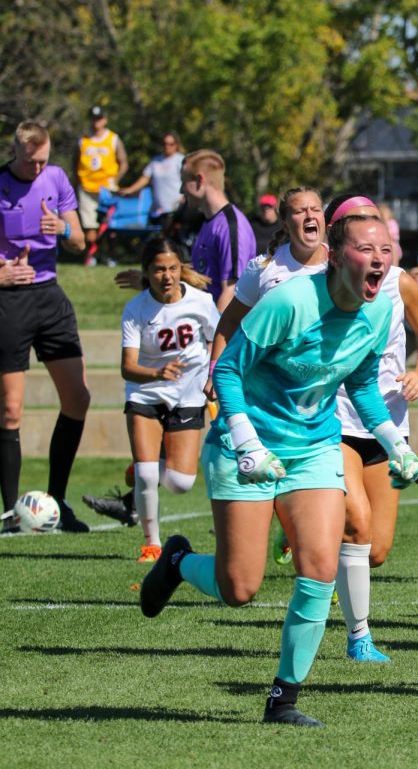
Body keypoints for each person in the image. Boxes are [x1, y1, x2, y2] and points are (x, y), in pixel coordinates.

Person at [138, 211, 418, 728]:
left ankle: (283, 699)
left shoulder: (380, 310)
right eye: (365, 248)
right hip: (243, 444)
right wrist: (246, 443)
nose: (379, 259)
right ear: (336, 257)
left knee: (318, 566)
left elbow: (359, 383)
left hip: (314, 448)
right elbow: (226, 369)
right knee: (239, 588)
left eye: (386, 249)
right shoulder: (290, 301)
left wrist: (393, 444)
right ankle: (178, 561)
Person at [85, 187, 329, 525]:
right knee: (256, 469)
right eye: (300, 211)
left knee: (183, 481)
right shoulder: (265, 268)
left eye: (315, 209)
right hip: (263, 387)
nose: (310, 216)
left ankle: (152, 475)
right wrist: (216, 371)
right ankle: (158, 533)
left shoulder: (339, 264)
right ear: (285, 223)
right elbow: (228, 323)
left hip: (319, 389)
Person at [326, 194, 418, 663]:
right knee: (356, 524)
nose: (375, 251)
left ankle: (307, 528)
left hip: (387, 421)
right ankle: (360, 637)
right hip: (332, 418)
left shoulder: (401, 284)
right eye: (362, 236)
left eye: (381, 237)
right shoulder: (317, 287)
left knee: (376, 551)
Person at [0, 121, 91, 533]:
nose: (38, 168)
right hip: (9, 301)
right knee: (10, 409)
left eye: (43, 160)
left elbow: (80, 243)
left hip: (50, 297)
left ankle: (58, 501)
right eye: (30, 161)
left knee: (78, 398)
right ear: (15, 152)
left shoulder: (56, 178)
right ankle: (10, 514)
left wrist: (65, 228)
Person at [113, 238, 219, 561]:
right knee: (146, 477)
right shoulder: (136, 309)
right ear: (147, 273)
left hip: (188, 395)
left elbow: (221, 338)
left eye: (173, 268)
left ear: (181, 269)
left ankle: (148, 462)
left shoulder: (201, 302)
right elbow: (128, 368)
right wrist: (158, 374)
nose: (167, 276)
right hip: (145, 393)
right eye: (159, 269)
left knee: (180, 482)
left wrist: (213, 375)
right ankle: (151, 544)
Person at [180, 149, 256, 311]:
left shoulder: (231, 226)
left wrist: (215, 335)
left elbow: (232, 291)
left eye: (184, 182)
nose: (181, 190)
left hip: (221, 332)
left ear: (200, 180)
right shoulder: (208, 222)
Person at [75, 106, 128, 266]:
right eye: (93, 118)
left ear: (104, 120)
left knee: (109, 225)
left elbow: (123, 162)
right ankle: (92, 255)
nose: (96, 122)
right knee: (89, 225)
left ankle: (111, 256)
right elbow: (75, 163)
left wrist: (116, 180)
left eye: (99, 118)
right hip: (87, 188)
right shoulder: (83, 140)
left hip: (107, 188)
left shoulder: (113, 139)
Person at [118, 132, 184, 223]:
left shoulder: (180, 160)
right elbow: (145, 177)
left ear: (176, 145)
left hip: (176, 209)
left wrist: (186, 197)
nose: (167, 146)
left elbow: (187, 180)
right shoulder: (156, 161)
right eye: (165, 144)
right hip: (159, 210)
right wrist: (130, 189)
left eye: (171, 144)